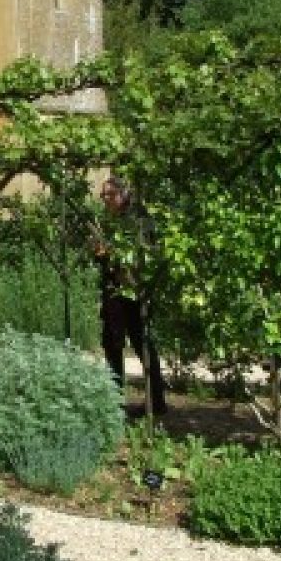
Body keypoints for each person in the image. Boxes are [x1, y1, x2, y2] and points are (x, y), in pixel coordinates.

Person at [96, 177, 168, 415]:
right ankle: (116, 399)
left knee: (143, 344)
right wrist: (100, 253)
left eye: (110, 195)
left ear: (123, 194)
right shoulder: (111, 221)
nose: (105, 199)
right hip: (114, 292)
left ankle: (156, 402)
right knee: (112, 343)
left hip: (134, 290)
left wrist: (112, 253)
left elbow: (143, 254)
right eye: (103, 195)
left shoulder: (137, 219)